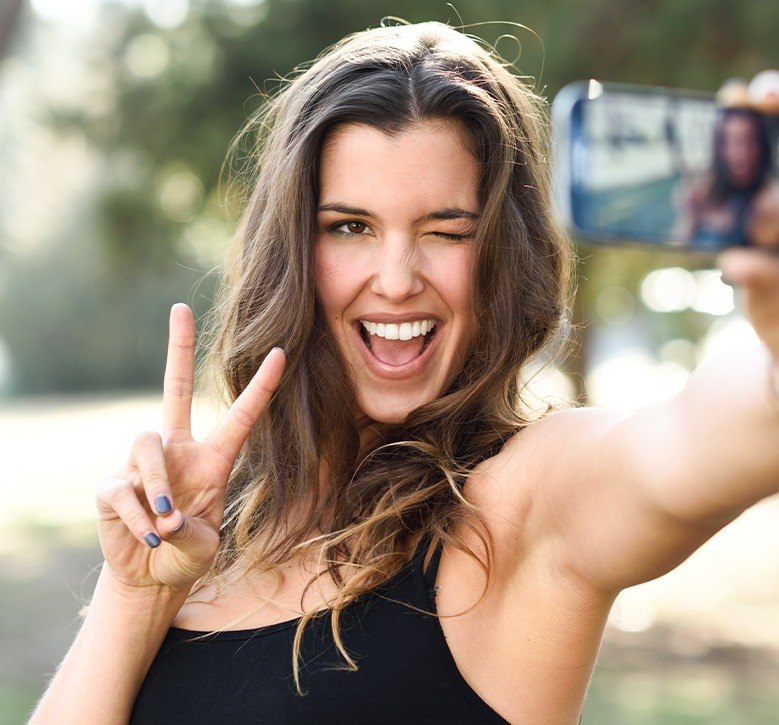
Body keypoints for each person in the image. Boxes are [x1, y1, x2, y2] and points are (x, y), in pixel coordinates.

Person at [30, 21, 779, 724]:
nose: (395, 279)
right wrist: (133, 594)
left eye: (445, 230)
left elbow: (713, 435)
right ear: (291, 247)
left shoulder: (522, 501)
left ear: (498, 254)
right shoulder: (207, 524)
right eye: (349, 227)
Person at [673, 105, 779, 248]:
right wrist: (689, 214)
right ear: (719, 147)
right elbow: (679, 244)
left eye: (749, 141)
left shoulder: (769, 201)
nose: (741, 153)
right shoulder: (703, 191)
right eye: (731, 142)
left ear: (763, 147)